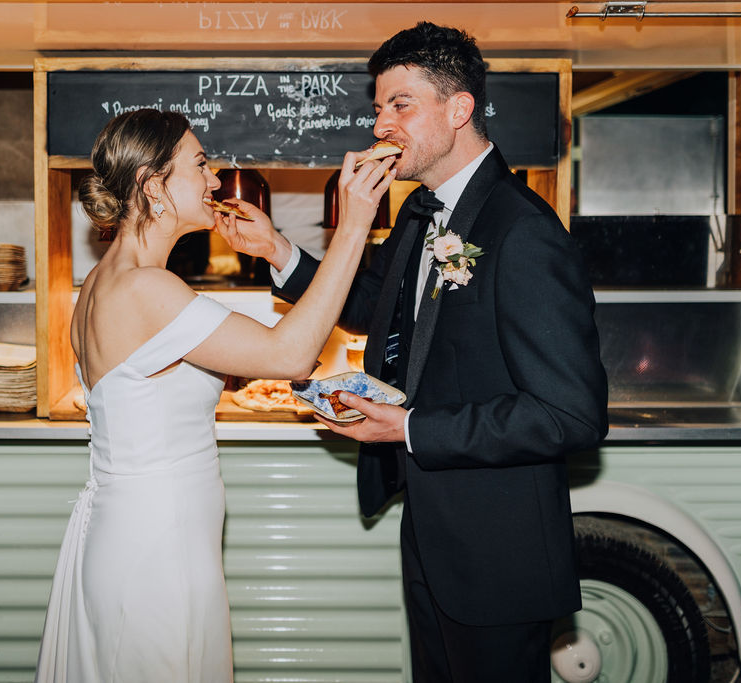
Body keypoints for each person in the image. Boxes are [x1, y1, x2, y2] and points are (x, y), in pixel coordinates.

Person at [239, 22, 609, 683]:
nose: (381, 125)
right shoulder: (420, 213)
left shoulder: (522, 230)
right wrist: (277, 250)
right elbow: (367, 305)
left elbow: (572, 414)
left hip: (500, 551)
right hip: (434, 534)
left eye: (400, 104)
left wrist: (408, 426)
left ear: (459, 108)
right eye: (378, 108)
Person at [33, 108, 394, 683]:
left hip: (137, 532)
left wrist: (275, 248)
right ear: (154, 186)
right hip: (157, 546)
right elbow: (290, 356)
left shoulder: (105, 279)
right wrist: (353, 228)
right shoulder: (148, 287)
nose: (214, 179)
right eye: (199, 164)